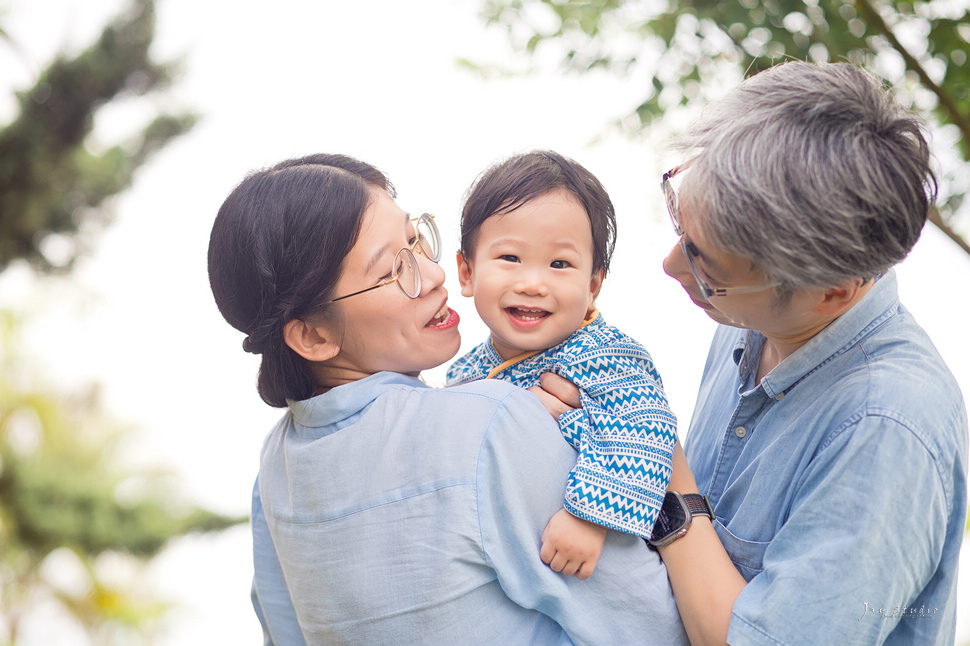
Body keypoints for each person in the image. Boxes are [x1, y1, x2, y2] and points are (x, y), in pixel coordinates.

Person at [207, 153, 687, 645]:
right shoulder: (489, 419)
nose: (433, 275)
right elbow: (655, 627)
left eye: (414, 240)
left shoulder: (274, 468)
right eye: (394, 269)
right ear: (311, 336)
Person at [640, 61, 967, 645]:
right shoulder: (755, 317)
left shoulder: (885, 428)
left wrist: (660, 470)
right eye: (682, 232)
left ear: (831, 292)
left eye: (705, 269)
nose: (670, 268)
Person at [446, 150, 677, 579]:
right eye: (510, 258)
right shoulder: (465, 372)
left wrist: (589, 518)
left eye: (559, 264)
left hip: (601, 568)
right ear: (466, 271)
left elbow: (647, 429)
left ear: (593, 287)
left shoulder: (606, 355)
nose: (533, 283)